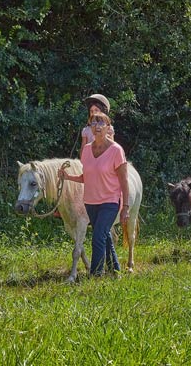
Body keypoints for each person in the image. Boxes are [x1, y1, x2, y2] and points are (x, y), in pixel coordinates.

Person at [59, 112, 129, 276]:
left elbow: (124, 181)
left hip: (110, 202)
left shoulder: (116, 150)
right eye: (93, 123)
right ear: (89, 127)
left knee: (98, 236)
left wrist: (125, 206)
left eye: (101, 123)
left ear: (108, 127)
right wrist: (68, 177)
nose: (97, 126)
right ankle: (115, 269)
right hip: (90, 202)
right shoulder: (87, 150)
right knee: (104, 235)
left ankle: (96, 275)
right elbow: (87, 177)